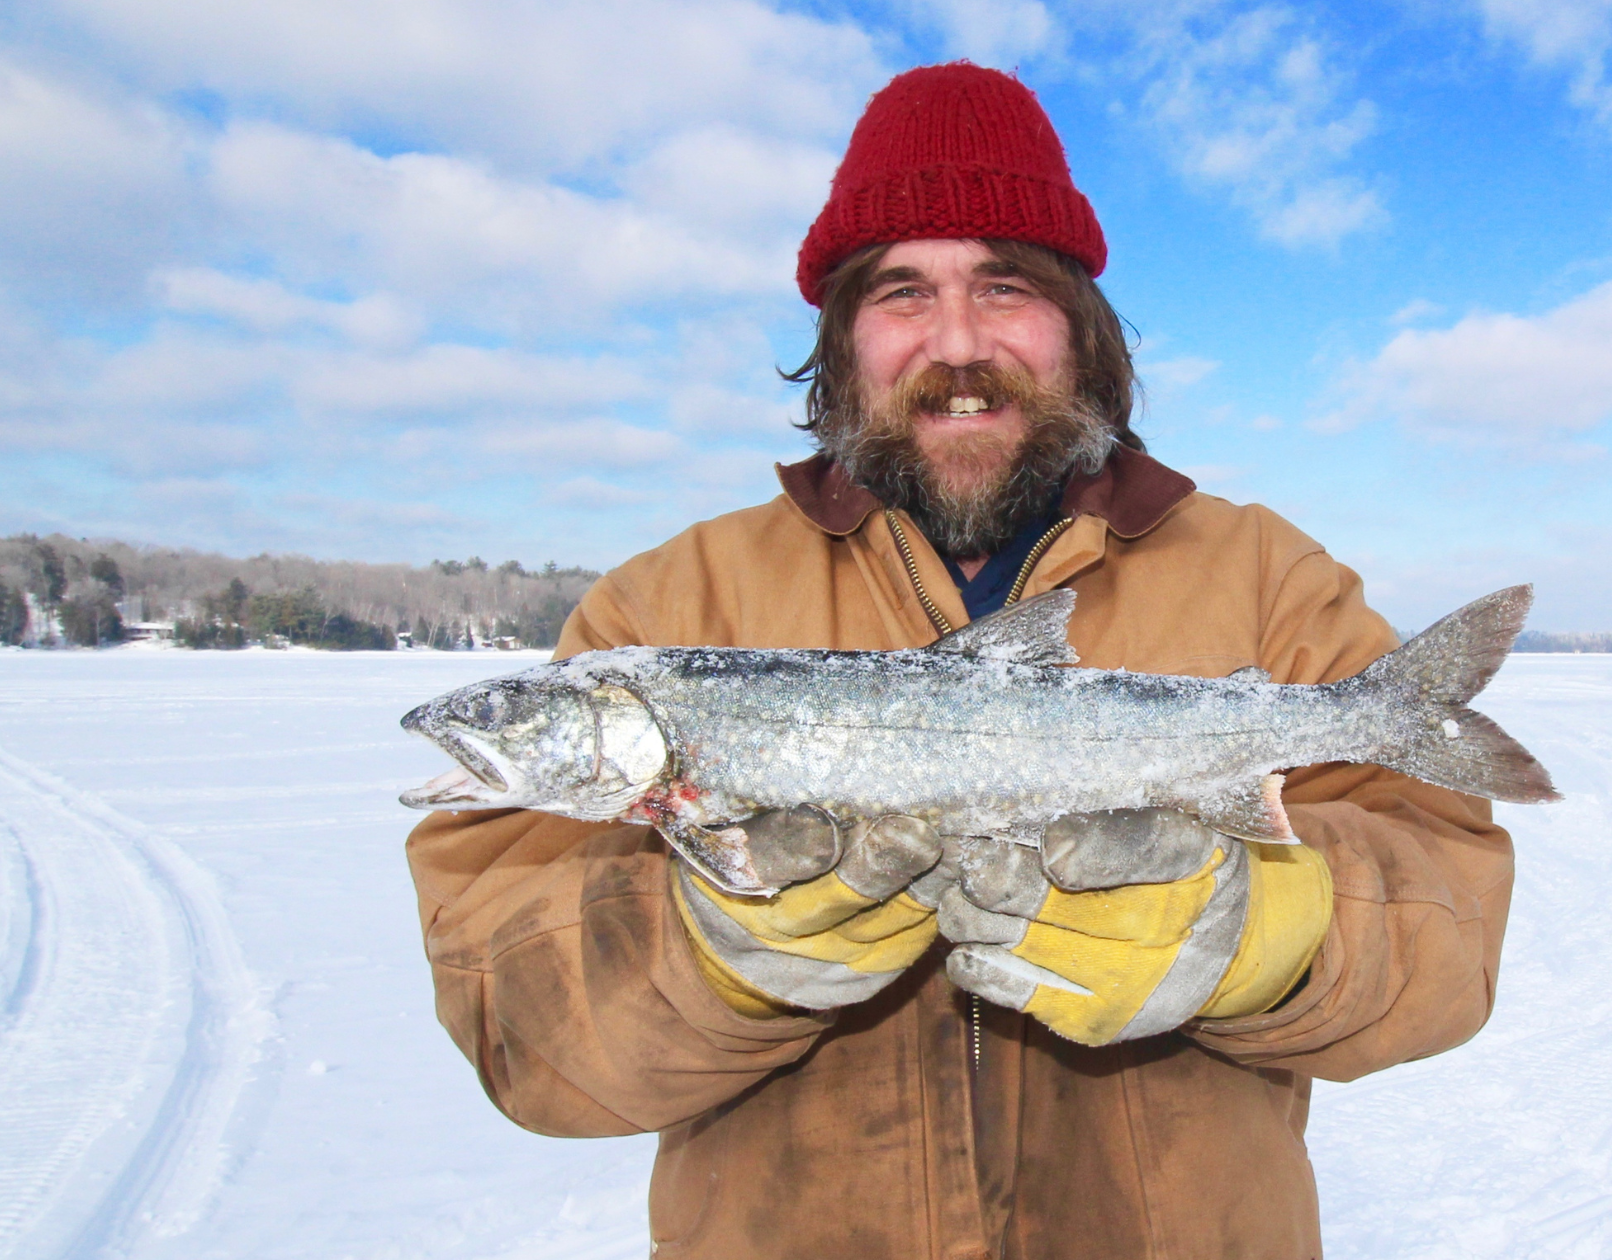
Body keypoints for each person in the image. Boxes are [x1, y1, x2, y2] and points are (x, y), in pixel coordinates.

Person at [405, 62, 1514, 1260]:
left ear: (1081, 328)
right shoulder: (664, 601)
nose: (958, 342)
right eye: (899, 292)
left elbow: (1450, 939)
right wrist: (701, 956)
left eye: (1004, 285)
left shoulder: (1262, 574)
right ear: (840, 343)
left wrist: (1271, 937)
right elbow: (518, 1036)